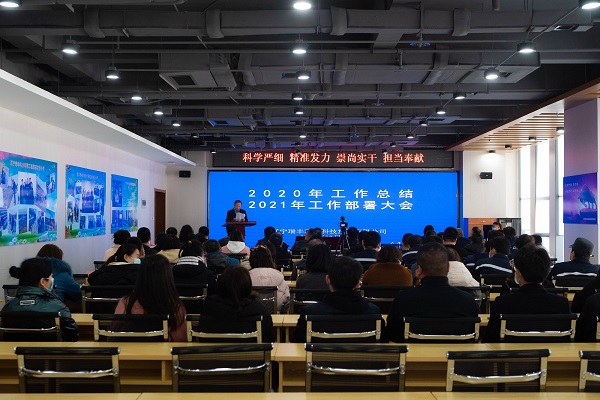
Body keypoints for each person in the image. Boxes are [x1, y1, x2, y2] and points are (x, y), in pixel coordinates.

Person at [386, 242, 480, 343]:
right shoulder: (468, 301)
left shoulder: (403, 299)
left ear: (418, 270)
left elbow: (392, 334)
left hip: (414, 352)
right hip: (454, 351)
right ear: (448, 267)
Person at [484, 244, 571, 342]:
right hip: (551, 350)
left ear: (518, 273)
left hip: (512, 351)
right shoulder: (561, 304)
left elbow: (490, 340)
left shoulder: (502, 303)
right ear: (547, 272)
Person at [291, 256, 382, 343]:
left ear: (327, 279)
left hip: (321, 355)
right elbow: (383, 341)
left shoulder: (310, 313)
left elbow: (297, 343)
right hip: (362, 355)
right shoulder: (374, 312)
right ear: (358, 283)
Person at [114, 254, 186, 342]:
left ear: (140, 276)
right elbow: (179, 340)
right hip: (162, 350)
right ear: (168, 278)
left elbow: (115, 334)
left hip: (127, 350)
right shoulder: (175, 307)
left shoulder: (125, 303)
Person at [4, 257, 79, 341]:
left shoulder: (8, 308)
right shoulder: (58, 307)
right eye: (51, 277)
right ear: (42, 282)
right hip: (50, 349)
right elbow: (72, 336)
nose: (52, 280)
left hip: (15, 349)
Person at [201, 265, 274, 342]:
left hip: (213, 349)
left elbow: (201, 335)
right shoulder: (259, 309)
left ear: (221, 282)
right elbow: (268, 340)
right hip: (250, 350)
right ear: (248, 285)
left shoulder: (209, 306)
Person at [248, 246, 290, 313]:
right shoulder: (279, 275)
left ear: (251, 261)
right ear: (270, 259)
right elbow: (287, 299)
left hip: (251, 315)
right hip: (276, 315)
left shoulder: (246, 276)